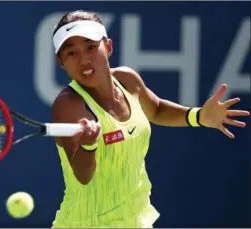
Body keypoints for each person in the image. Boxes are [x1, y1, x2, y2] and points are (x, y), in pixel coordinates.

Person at [50, 10, 249, 228]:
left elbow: (155, 110)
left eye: (90, 47)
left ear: (108, 47)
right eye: (72, 53)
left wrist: (198, 116)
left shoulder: (127, 80)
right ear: (61, 62)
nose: (83, 60)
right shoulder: (69, 104)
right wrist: (89, 146)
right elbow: (83, 176)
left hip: (137, 220)